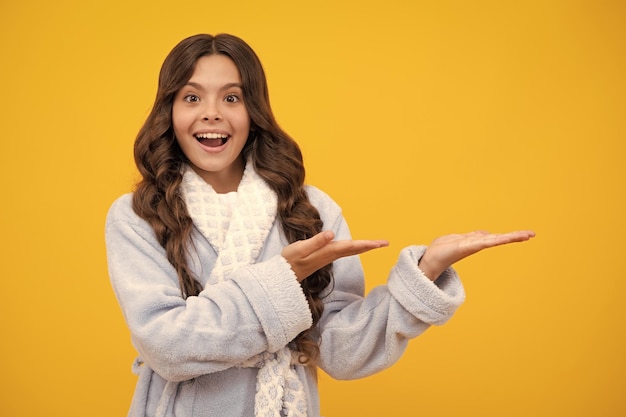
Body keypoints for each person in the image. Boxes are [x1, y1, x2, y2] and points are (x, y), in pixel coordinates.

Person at [105, 33, 535, 417]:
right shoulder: (139, 215)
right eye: (192, 97)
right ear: (170, 110)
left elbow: (342, 351)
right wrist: (283, 278)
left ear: (254, 110)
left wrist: (425, 273)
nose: (212, 113)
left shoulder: (308, 208)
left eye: (232, 98)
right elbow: (165, 344)